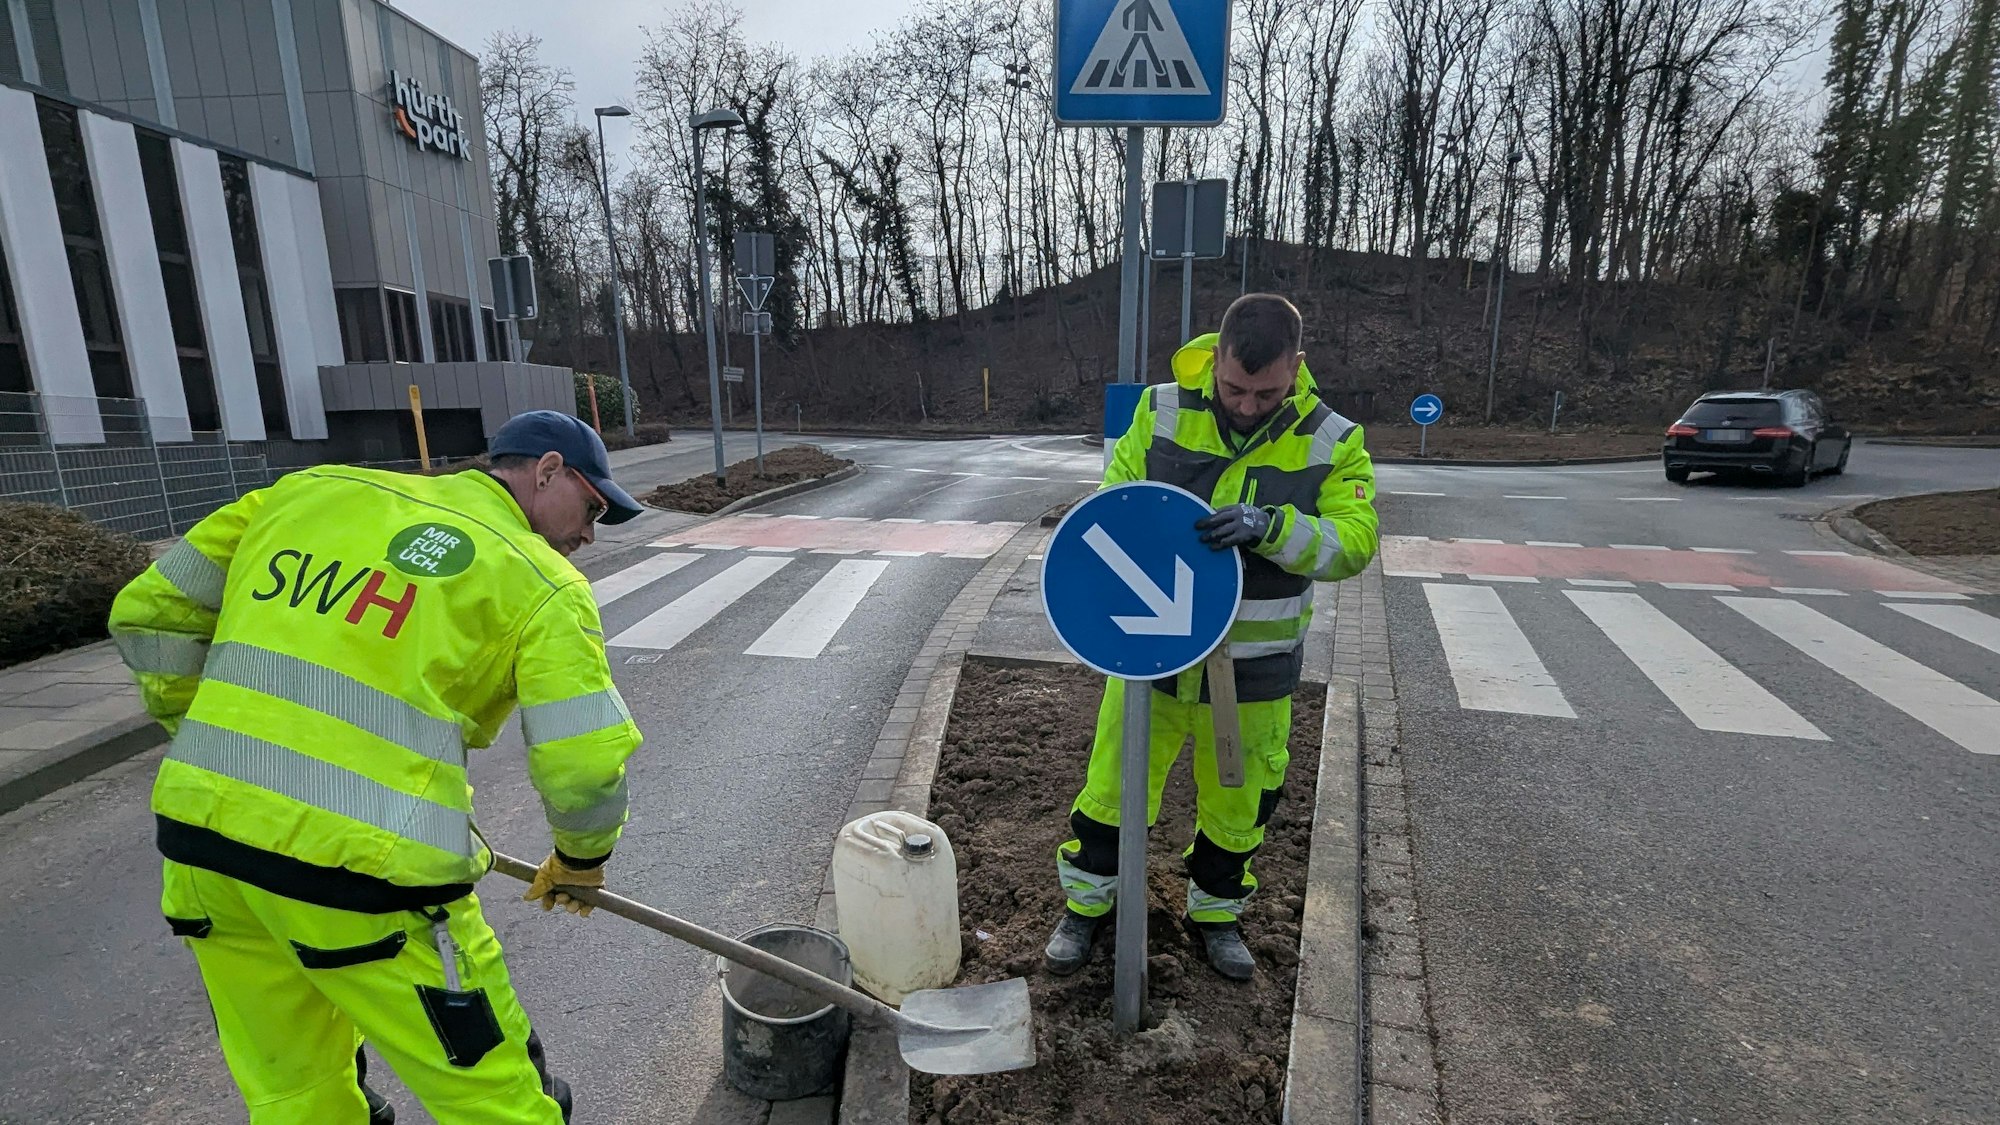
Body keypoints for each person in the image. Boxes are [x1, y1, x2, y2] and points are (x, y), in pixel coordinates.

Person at [109, 410, 648, 1123]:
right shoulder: (540, 581)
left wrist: (211, 739)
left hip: (206, 858)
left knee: (298, 1095)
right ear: (547, 470)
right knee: (495, 1097)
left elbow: (147, 610)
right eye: (592, 507)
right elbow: (582, 762)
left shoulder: (304, 493)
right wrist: (582, 859)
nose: (587, 534)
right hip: (368, 886)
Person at [1046, 293, 1380, 981]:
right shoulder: (1164, 407)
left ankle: (1218, 916)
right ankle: (1085, 908)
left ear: (1297, 367)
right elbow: (1118, 497)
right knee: (1111, 790)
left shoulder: (1333, 438)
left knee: (1239, 804)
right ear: (1216, 361)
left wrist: (1274, 527)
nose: (1248, 404)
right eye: (1234, 388)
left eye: (1266, 391)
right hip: (1152, 657)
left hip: (1253, 669)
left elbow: (1354, 542)